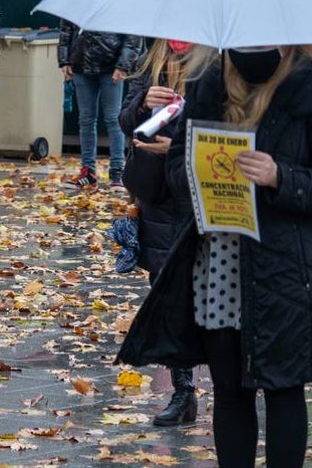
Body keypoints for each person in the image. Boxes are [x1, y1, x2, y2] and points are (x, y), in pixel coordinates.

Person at [119, 44, 312, 467]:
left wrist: (279, 176)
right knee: (230, 389)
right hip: (219, 263)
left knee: (284, 388)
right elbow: (178, 165)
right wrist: (200, 169)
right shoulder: (206, 84)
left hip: (288, 267)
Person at [118, 38, 198, 427]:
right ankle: (183, 392)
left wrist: (180, 149)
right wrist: (142, 104)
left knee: (209, 292)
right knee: (167, 294)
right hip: (157, 196)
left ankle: (238, 381)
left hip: (201, 192)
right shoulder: (150, 60)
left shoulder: (220, 63)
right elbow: (124, 122)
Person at [57, 0, 142, 190]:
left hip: (110, 65)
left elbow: (133, 31)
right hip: (82, 63)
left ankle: (117, 172)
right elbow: (66, 26)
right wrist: (65, 59)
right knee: (86, 119)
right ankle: (88, 171)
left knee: (114, 119)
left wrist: (123, 64)